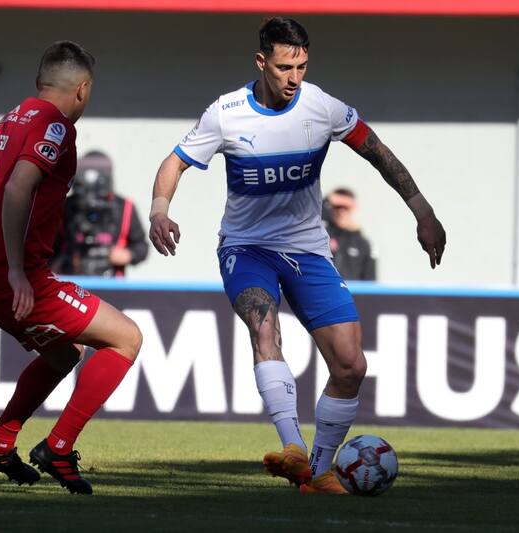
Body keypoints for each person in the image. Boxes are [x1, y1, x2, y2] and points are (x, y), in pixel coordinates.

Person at [148, 18, 445, 494]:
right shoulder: (225, 113)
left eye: (302, 67)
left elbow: (378, 151)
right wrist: (160, 210)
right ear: (261, 62)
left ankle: (315, 471)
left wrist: (423, 212)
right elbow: (174, 162)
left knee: (351, 367)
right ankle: (290, 445)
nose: (294, 78)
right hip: (246, 249)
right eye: (285, 67)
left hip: (307, 250)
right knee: (265, 328)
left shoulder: (321, 107)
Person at [0, 41, 141, 495]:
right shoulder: (56, 126)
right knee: (126, 338)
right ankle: (58, 448)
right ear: (82, 91)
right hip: (14, 275)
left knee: (64, 353)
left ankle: (0, 444)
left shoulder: (9, 121)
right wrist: (19, 271)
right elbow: (21, 186)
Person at [51, 150, 148, 277]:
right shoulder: (66, 206)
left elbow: (141, 246)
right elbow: (46, 247)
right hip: (71, 280)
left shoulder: (125, 207)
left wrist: (127, 255)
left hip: (111, 282)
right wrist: (61, 262)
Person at [324, 188, 376, 280]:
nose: (341, 212)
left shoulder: (362, 243)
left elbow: (371, 283)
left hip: (353, 294)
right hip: (325, 291)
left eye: (346, 207)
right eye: (337, 206)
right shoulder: (321, 236)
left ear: (353, 207)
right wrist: (326, 200)